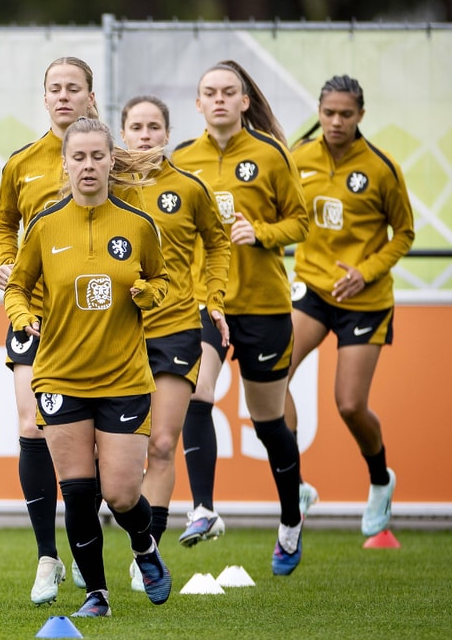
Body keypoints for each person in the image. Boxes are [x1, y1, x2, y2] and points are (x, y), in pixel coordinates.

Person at [4, 117, 171, 618]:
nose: (88, 166)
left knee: (120, 493)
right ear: (65, 164)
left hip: (122, 377)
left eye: (98, 156)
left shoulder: (138, 225)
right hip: (59, 375)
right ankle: (96, 594)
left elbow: (163, 280)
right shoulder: (44, 225)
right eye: (78, 157)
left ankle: (144, 547)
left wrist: (148, 293)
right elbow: (17, 285)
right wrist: (21, 314)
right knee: (77, 492)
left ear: (110, 161)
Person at [172, 60, 310, 575]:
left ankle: (291, 518)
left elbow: (301, 221)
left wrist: (264, 233)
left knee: (269, 422)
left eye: (229, 91)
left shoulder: (272, 154)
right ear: (199, 103)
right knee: (197, 393)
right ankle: (203, 508)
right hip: (206, 302)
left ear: (245, 100)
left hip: (264, 305)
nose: (220, 99)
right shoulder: (183, 158)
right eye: (210, 92)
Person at [0, 55, 99, 605]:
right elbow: (2, 220)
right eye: (54, 88)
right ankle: (46, 557)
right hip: (33, 310)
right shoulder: (23, 162)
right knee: (32, 425)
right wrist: (8, 260)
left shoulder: (108, 159)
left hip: (97, 318)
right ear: (45, 96)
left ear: (88, 95)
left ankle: (87, 546)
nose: (62, 96)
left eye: (72, 88)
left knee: (92, 441)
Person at [285, 75, 414, 538]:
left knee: (350, 404)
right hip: (314, 289)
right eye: (328, 113)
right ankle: (294, 483)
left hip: (366, 298)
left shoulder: (382, 168)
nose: (336, 122)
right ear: (319, 112)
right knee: (272, 375)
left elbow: (404, 234)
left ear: (361, 115)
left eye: (345, 114)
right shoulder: (298, 157)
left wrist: (366, 270)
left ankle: (380, 480)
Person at [119, 96, 231, 590]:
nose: (145, 135)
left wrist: (215, 296)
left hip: (176, 329)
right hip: (114, 334)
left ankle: (150, 554)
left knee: (163, 444)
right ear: (123, 133)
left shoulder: (188, 187)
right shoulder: (107, 188)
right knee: (112, 456)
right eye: (136, 127)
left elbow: (219, 241)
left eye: (154, 127)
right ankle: (97, 547)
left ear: (167, 133)